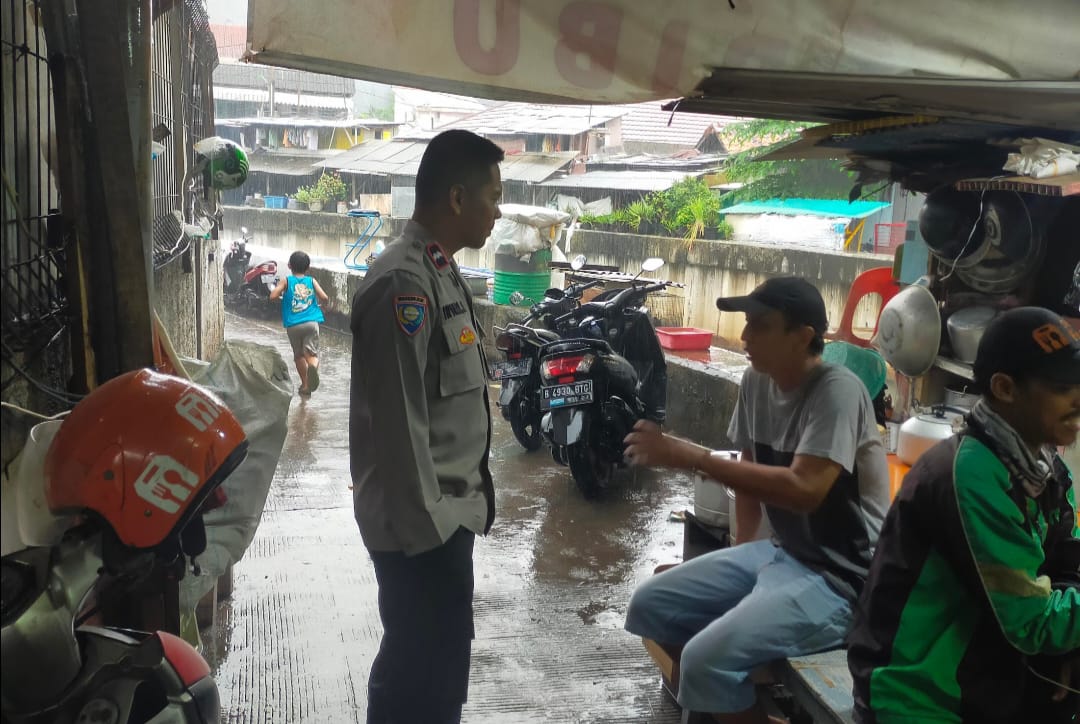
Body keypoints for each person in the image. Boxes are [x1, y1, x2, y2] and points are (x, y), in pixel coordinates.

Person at [623, 276, 891, 723]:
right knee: (651, 605)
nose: (745, 336)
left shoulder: (838, 391)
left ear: (803, 336)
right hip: (783, 553)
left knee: (705, 660)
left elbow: (805, 490)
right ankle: (734, 696)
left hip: (845, 578)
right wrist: (743, 557)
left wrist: (690, 456)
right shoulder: (755, 381)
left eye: (760, 325)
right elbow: (749, 478)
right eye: (746, 323)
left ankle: (724, 686)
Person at [848, 307, 1080, 724]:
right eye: (1063, 388)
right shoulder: (971, 475)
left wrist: (1069, 649)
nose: (1078, 399)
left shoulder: (1044, 469)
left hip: (982, 679)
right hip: (919, 697)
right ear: (1005, 388)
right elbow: (1031, 623)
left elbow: (1064, 558)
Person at [348, 129, 503, 724]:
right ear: (458, 198)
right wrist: (432, 535)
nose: (498, 211)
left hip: (445, 519)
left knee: (436, 676)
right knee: (417, 682)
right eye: (493, 197)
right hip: (422, 528)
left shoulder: (440, 270)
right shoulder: (404, 283)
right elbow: (398, 426)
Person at [270, 251, 329, 396]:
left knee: (299, 356)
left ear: (289, 265)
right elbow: (324, 297)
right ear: (308, 268)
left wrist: (283, 299)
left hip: (293, 324)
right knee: (311, 354)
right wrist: (322, 307)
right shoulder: (311, 281)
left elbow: (273, 296)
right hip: (311, 322)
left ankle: (305, 385)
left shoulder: (286, 281)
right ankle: (313, 365)